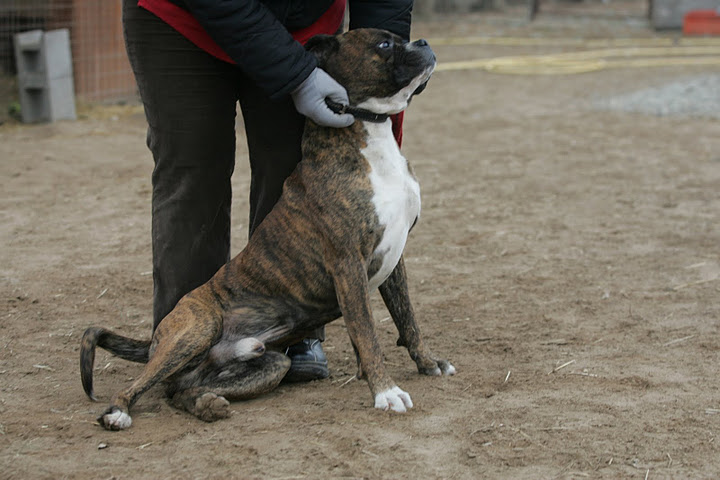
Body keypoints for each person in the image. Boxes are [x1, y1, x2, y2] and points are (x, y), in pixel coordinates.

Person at [122, 0, 412, 382]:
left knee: (293, 164)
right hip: (181, 20)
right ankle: (185, 346)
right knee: (194, 171)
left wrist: (393, 73)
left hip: (301, 26)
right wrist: (297, 77)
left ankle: (293, 334)